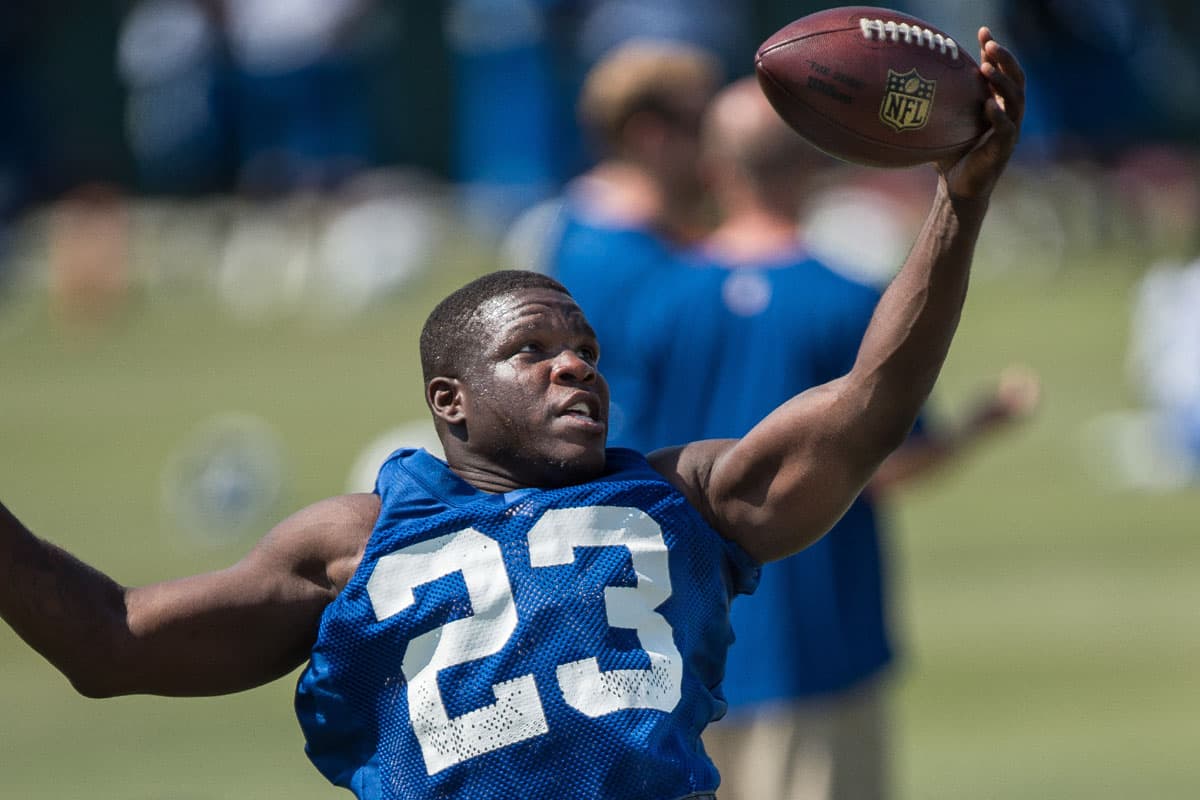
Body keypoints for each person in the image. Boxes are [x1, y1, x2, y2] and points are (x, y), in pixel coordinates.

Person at [0, 28, 1024, 800]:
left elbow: (869, 405)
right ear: (450, 400)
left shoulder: (683, 498)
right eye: (530, 352)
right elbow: (110, 639)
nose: (573, 366)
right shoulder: (355, 541)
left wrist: (958, 200)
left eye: (582, 348)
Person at [613, 76, 1039, 800]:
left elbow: (622, 474)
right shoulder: (851, 303)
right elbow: (889, 470)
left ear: (716, 169)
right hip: (817, 646)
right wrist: (977, 427)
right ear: (816, 163)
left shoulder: (654, 300)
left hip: (676, 648)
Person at [537, 38, 722, 442]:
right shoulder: (628, 257)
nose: (719, 145)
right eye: (704, 125)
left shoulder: (579, 216)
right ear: (650, 135)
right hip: (644, 473)